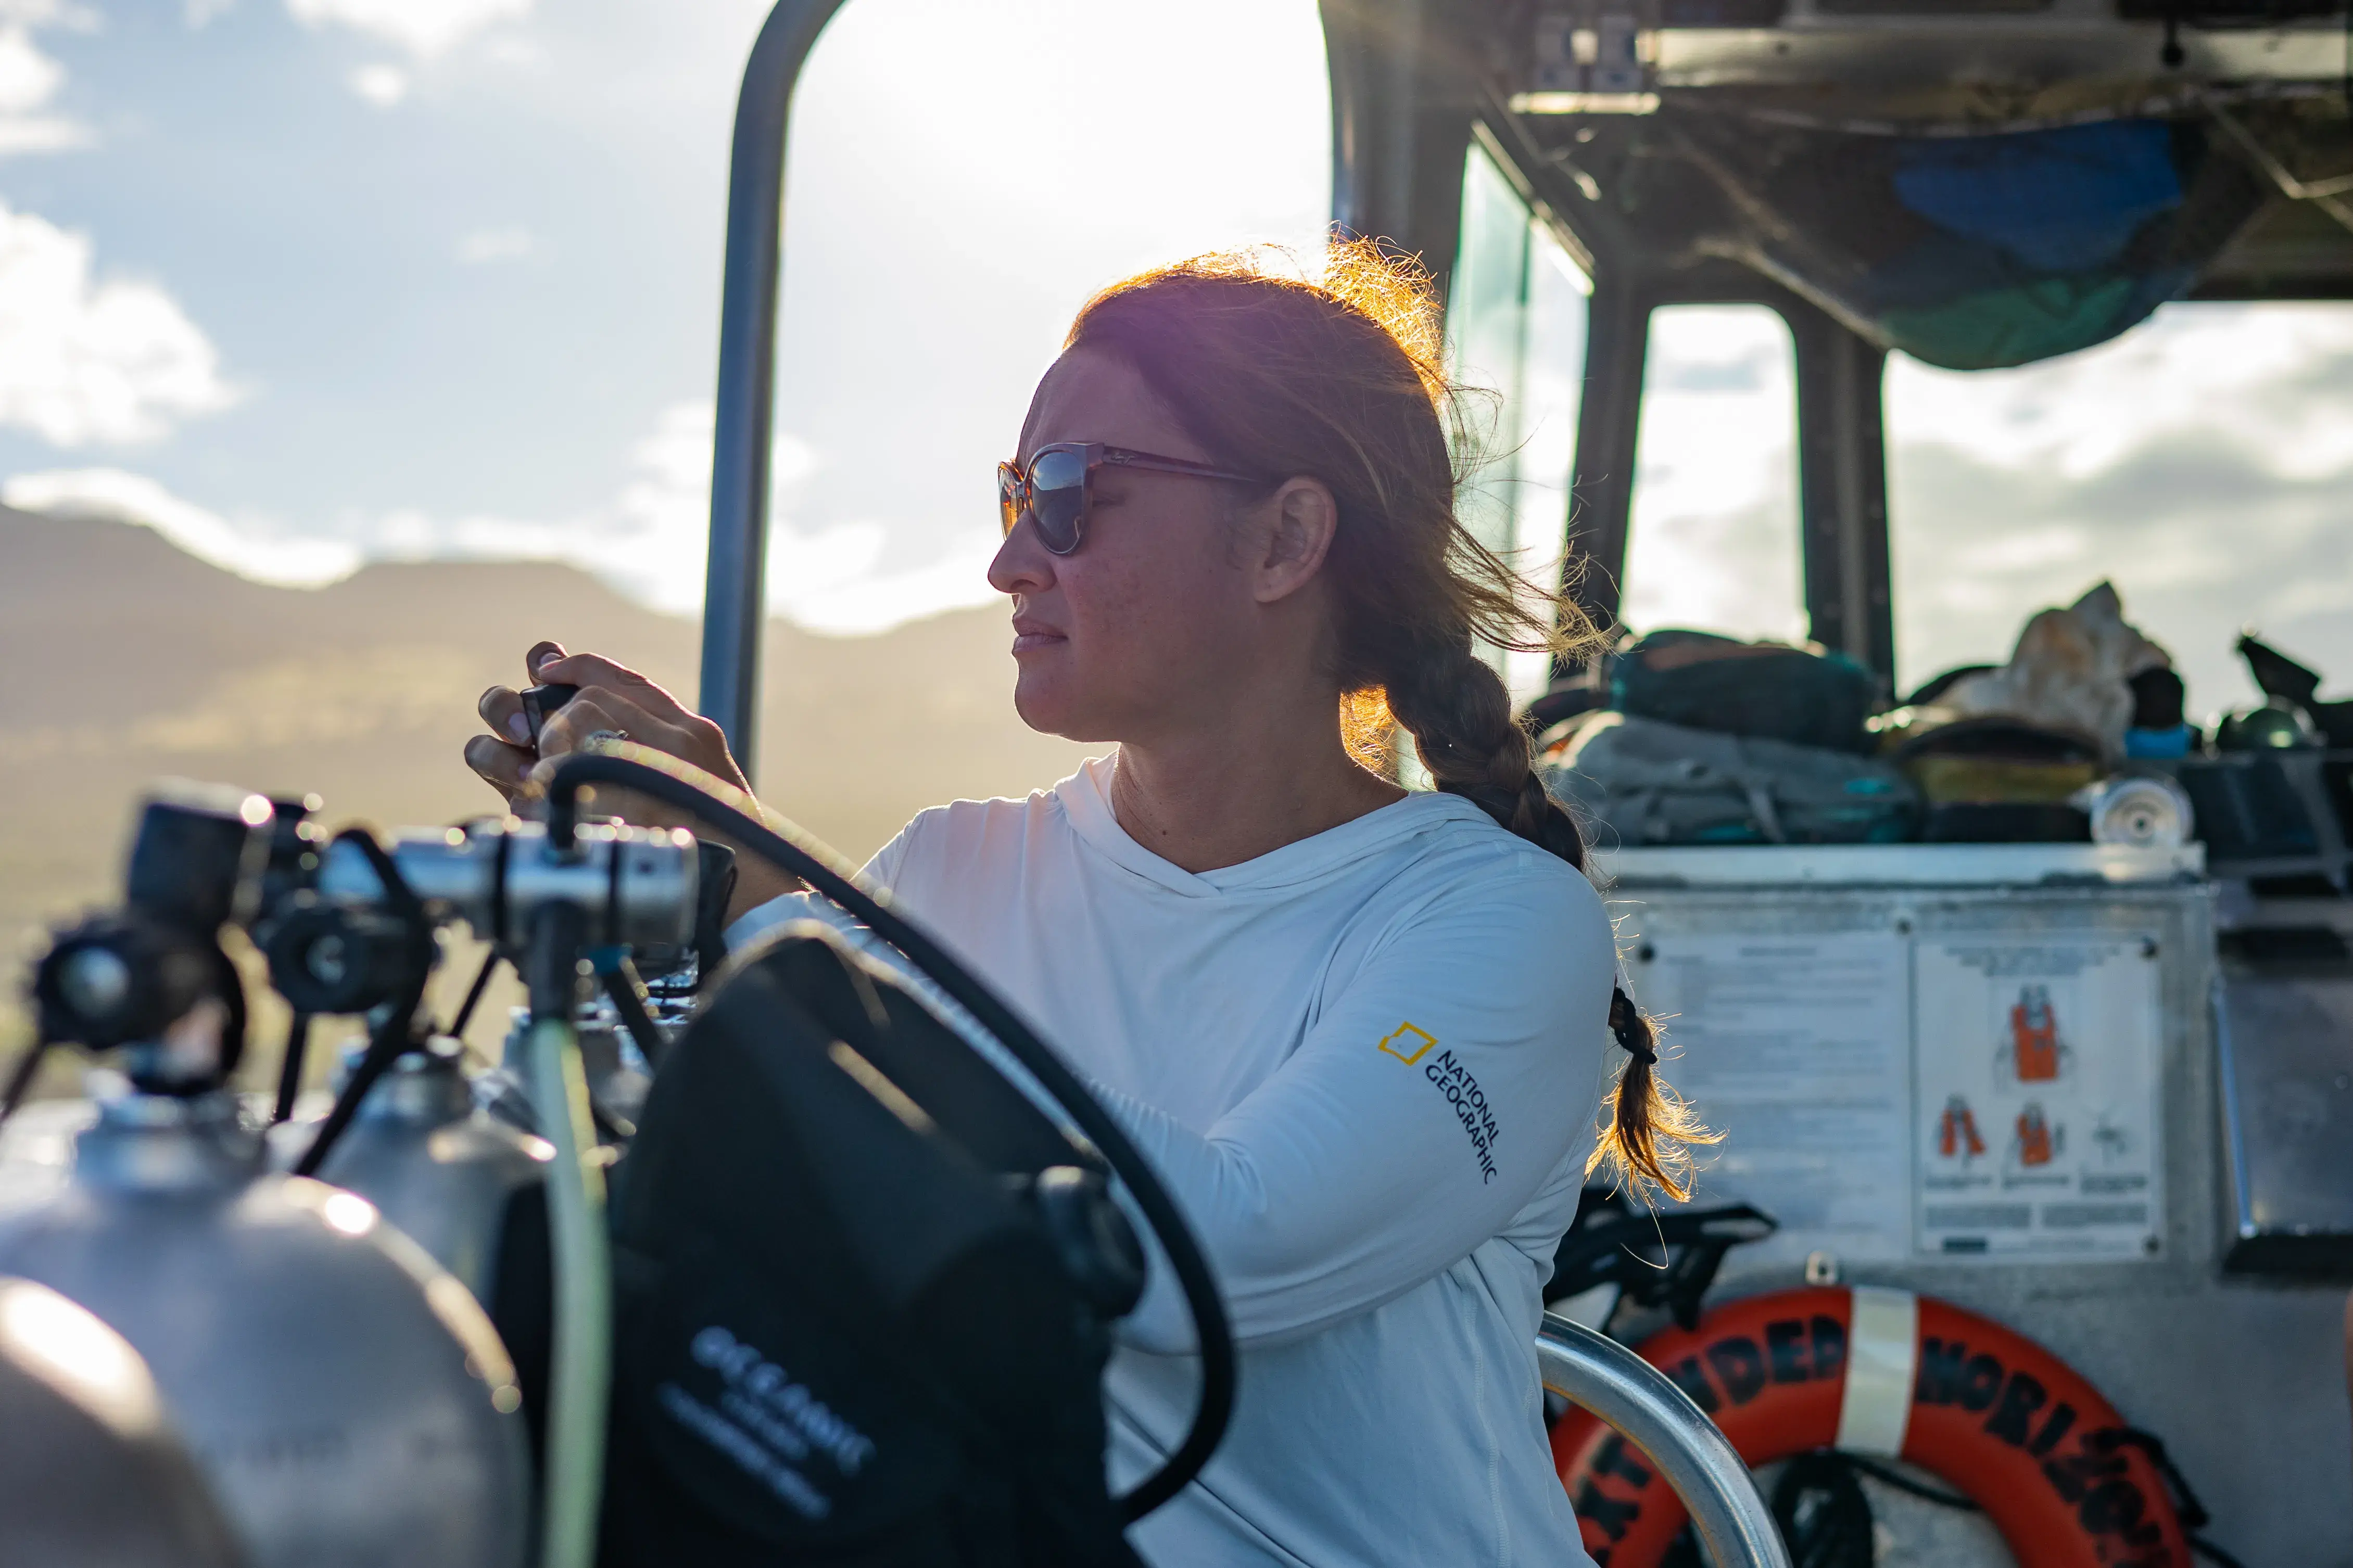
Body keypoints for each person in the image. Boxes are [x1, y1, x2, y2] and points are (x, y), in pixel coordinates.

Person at [465, 242, 1702, 1567]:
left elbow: (1211, 1254)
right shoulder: (949, 871)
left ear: (1286, 539)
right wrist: (662, 929)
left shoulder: (1494, 921)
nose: (1010, 561)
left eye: (1067, 494)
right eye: (1011, 491)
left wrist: (776, 908)